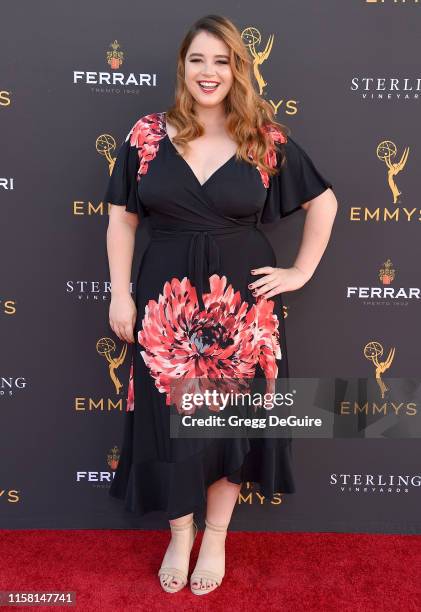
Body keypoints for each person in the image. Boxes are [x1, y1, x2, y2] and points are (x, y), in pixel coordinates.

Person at [104, 13, 337, 596]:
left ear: (239, 68)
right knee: (168, 423)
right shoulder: (146, 135)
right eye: (198, 60)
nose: (209, 72)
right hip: (165, 304)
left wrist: (300, 272)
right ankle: (178, 534)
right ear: (182, 67)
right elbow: (120, 219)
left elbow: (325, 202)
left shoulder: (264, 136)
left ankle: (215, 536)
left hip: (240, 309)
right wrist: (118, 291)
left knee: (227, 425)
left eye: (222, 61)